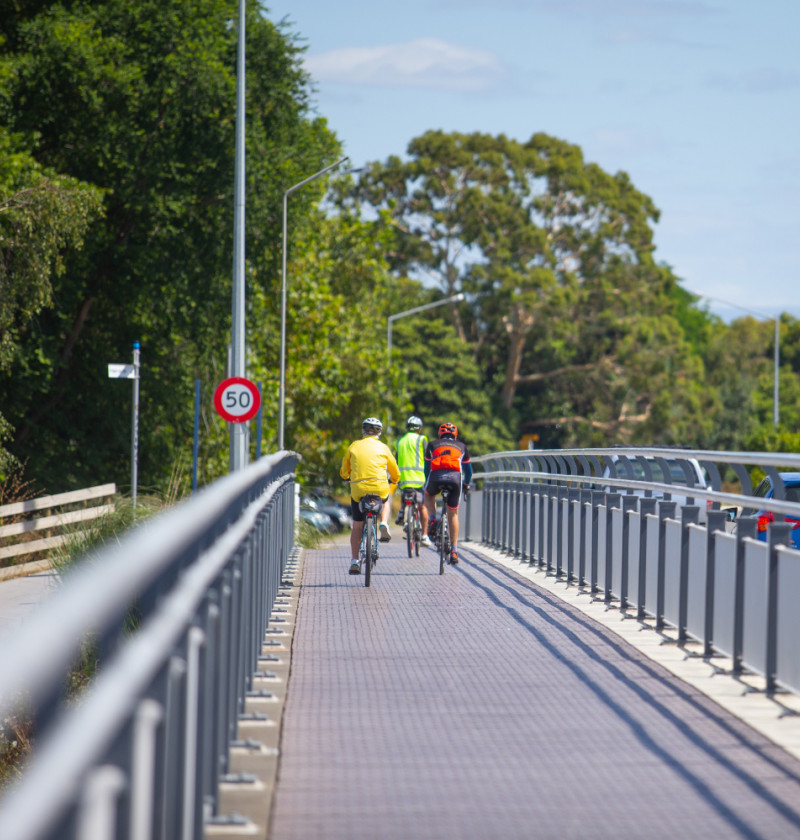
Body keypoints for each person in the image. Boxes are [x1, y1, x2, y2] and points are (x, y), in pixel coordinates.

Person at [340, 416, 400, 575]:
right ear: (379, 432)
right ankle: (384, 523)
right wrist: (394, 479)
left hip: (358, 489)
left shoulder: (354, 446)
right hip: (379, 487)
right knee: (386, 499)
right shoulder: (384, 448)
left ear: (363, 430)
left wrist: (346, 477)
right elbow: (395, 471)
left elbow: (344, 470)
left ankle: (354, 561)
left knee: (357, 526)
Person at [423, 422, 473, 565]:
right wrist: (467, 484)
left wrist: (428, 482)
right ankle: (454, 550)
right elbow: (468, 471)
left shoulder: (432, 445)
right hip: (455, 480)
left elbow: (427, 469)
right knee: (453, 513)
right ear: (455, 435)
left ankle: (432, 519)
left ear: (440, 434)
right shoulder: (462, 447)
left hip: (436, 477)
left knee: (428, 494)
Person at [393, 415, 433, 547]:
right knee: (422, 507)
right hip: (420, 479)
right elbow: (429, 458)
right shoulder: (422, 440)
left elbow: (396, 459)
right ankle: (425, 536)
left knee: (406, 496)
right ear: (419, 429)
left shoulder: (400, 441)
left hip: (404, 479)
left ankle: (403, 513)